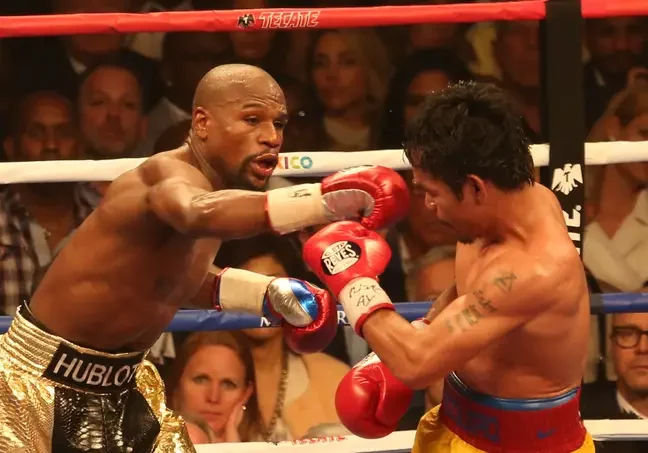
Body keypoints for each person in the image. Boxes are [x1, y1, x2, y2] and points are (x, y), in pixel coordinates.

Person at [0, 63, 409, 452]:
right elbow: (195, 211)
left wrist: (266, 295)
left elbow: (169, 279)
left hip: (122, 387)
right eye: (252, 120)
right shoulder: (166, 176)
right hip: (36, 384)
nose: (271, 137)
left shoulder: (218, 196)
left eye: (279, 123)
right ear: (201, 123)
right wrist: (322, 201)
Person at [303, 82, 595, 452]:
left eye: (433, 192)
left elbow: (417, 363)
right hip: (454, 425)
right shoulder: (498, 213)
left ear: (475, 188)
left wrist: (353, 280)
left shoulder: (535, 270)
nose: (427, 205)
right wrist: (421, 331)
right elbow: (472, 289)